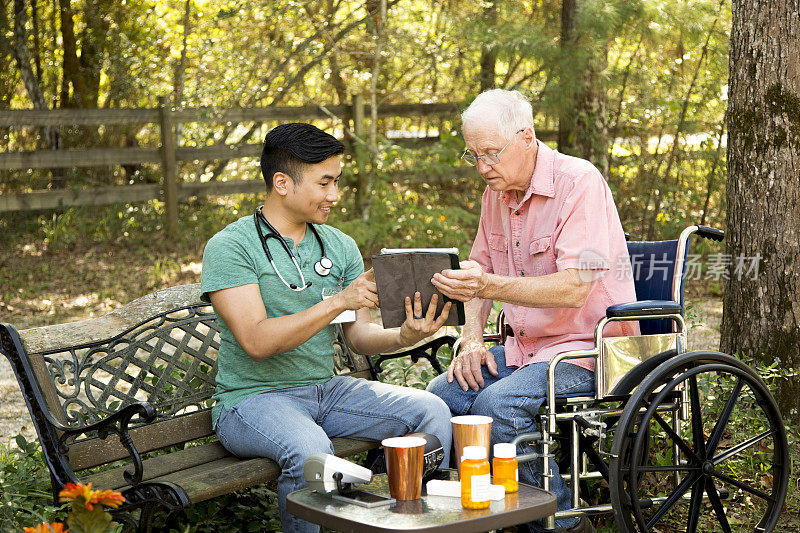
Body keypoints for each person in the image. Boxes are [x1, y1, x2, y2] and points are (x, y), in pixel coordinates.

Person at [201, 123, 453, 533]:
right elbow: (257, 341)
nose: (335, 195)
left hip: (326, 391)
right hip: (251, 401)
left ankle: (398, 522)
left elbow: (358, 336)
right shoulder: (231, 247)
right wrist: (336, 301)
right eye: (325, 183)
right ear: (282, 182)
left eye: (337, 182)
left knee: (432, 411)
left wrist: (405, 336)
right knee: (311, 452)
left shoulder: (338, 245)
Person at [427, 90, 638, 533]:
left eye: (490, 153)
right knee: (442, 396)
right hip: (524, 348)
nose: (483, 166)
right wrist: (470, 337)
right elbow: (478, 272)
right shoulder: (496, 195)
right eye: (474, 155)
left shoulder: (579, 182)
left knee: (497, 404)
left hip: (588, 351)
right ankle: (483, 514)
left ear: (526, 137)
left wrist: (489, 285)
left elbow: (575, 287)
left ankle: (561, 524)